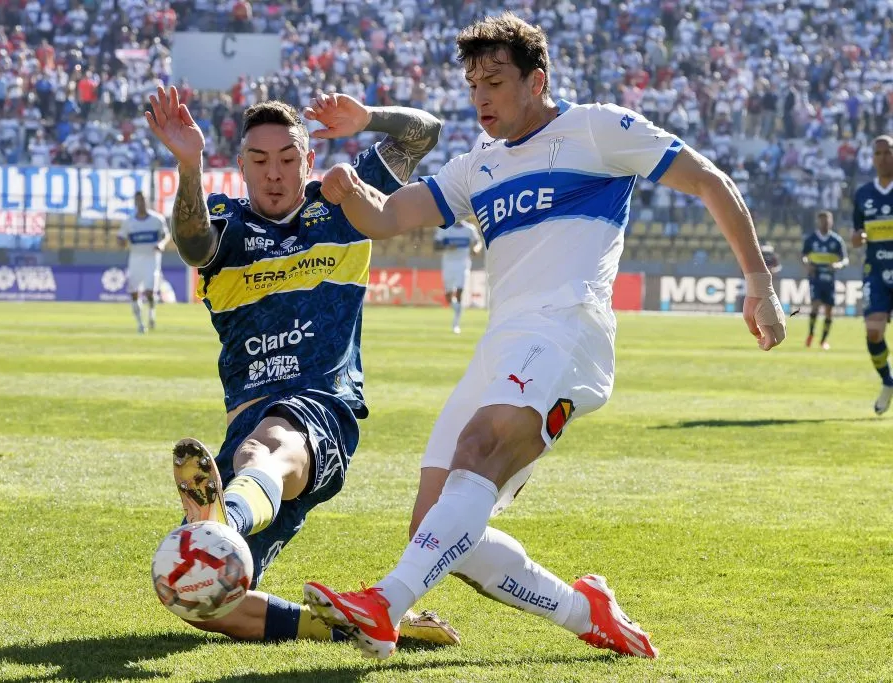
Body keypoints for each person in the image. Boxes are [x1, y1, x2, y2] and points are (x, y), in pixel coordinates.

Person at [302, 12, 787, 660]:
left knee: (478, 448)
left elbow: (709, 180)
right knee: (439, 530)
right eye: (473, 83)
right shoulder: (480, 165)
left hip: (568, 328)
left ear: (537, 81)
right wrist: (347, 188)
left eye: (495, 81)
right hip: (503, 340)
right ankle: (585, 610)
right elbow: (388, 216)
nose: (481, 97)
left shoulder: (595, 128)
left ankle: (385, 604)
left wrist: (759, 283)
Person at [144, 85, 458, 646]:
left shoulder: (342, 201)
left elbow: (423, 133)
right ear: (241, 166)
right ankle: (348, 624)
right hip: (248, 417)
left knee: (262, 448)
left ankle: (227, 520)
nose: (275, 173)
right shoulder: (227, 222)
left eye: (288, 159)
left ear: (307, 160)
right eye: (260, 161)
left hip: (321, 408)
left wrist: (368, 118)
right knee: (200, 595)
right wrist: (187, 163)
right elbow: (192, 245)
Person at [852, 135, 893, 414]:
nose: (882, 158)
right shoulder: (863, 194)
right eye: (877, 153)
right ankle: (888, 382)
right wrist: (857, 238)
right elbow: (857, 233)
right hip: (876, 271)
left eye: (887, 152)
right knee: (874, 333)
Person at [116, 191, 169, 333]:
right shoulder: (129, 221)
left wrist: (161, 244)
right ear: (135, 202)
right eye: (138, 200)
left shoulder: (157, 219)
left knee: (149, 292)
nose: (141, 203)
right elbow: (120, 237)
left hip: (151, 258)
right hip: (135, 259)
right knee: (134, 292)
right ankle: (140, 324)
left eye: (143, 200)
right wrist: (121, 241)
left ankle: (152, 312)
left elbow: (165, 235)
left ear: (147, 201)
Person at [802, 211, 848, 349]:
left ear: (831, 222)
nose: (825, 223)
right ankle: (810, 334)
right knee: (815, 305)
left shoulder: (836, 240)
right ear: (818, 222)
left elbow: (845, 259)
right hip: (815, 278)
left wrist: (838, 265)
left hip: (830, 279)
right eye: (822, 221)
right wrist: (807, 264)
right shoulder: (811, 239)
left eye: (827, 221)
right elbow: (803, 255)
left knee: (829, 310)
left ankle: (823, 340)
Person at [434, 219, 482, 333]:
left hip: (463, 264)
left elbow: (478, 242)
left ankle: (456, 324)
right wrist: (447, 247)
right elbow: (436, 245)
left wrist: (476, 249)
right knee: (448, 296)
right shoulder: (444, 228)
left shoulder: (469, 229)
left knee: (460, 291)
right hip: (448, 264)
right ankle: (457, 310)